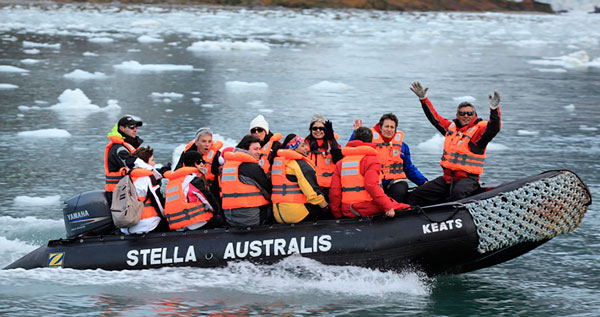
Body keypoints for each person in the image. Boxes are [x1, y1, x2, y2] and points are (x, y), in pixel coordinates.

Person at [408, 81, 501, 205]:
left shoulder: (478, 133)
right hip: (447, 179)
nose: (466, 116)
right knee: (416, 194)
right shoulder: (451, 129)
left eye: (469, 113)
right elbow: (435, 119)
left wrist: (494, 110)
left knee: (457, 195)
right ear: (457, 115)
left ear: (475, 115)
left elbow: (494, 128)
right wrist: (423, 99)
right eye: (462, 113)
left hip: (468, 180)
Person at [330, 127, 410, 218]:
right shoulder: (371, 160)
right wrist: (388, 206)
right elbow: (372, 186)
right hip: (365, 207)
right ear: (371, 140)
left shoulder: (341, 163)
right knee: (405, 208)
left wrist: (337, 214)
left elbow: (334, 191)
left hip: (347, 209)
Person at [351, 113, 427, 203]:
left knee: (399, 192)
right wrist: (356, 135)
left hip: (396, 181)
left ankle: (395, 211)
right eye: (386, 126)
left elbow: (409, 168)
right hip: (375, 182)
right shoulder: (368, 142)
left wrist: (423, 182)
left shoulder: (402, 147)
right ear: (380, 127)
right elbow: (352, 152)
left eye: (392, 127)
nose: (389, 130)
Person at [271, 134, 328, 223]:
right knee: (323, 210)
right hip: (296, 215)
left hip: (278, 215)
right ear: (294, 149)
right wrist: (325, 206)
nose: (306, 148)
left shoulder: (278, 163)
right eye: (302, 146)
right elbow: (312, 194)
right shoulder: (301, 164)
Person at [163, 151, 224, 231]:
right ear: (191, 164)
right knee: (219, 219)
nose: (202, 164)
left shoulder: (173, 181)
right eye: (198, 162)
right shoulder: (193, 180)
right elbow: (208, 200)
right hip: (192, 223)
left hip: (176, 225)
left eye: (203, 161)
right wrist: (216, 211)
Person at [220, 135, 272, 227]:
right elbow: (268, 191)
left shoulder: (227, 166)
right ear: (244, 149)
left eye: (259, 149)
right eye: (255, 149)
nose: (259, 152)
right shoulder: (252, 167)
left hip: (229, 218)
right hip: (250, 219)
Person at [121, 146, 166, 235]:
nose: (154, 163)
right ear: (144, 163)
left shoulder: (126, 177)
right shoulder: (146, 177)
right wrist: (166, 217)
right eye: (152, 160)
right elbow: (157, 202)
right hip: (147, 225)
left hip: (126, 228)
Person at [305, 114, 343, 195]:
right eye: (315, 128)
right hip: (309, 188)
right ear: (311, 130)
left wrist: (332, 139)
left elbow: (339, 160)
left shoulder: (332, 144)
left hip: (329, 188)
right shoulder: (304, 145)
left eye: (321, 128)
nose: (318, 131)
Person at [104, 115, 143, 193]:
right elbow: (134, 166)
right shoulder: (119, 149)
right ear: (121, 128)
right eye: (132, 127)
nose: (135, 130)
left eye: (136, 127)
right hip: (119, 195)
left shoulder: (130, 146)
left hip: (128, 191)